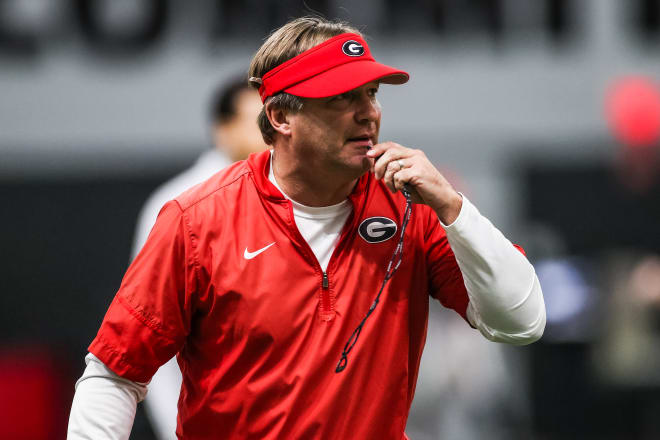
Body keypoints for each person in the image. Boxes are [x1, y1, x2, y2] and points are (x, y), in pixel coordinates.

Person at [68, 16, 546, 440]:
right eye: (342, 98)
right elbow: (114, 375)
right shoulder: (196, 220)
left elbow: (521, 323)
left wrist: (452, 205)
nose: (369, 113)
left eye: (372, 94)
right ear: (280, 117)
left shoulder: (412, 209)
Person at [131, 77, 265, 440]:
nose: (271, 133)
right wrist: (174, 429)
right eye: (258, 121)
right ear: (222, 130)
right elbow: (149, 331)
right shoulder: (179, 205)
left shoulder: (295, 198)